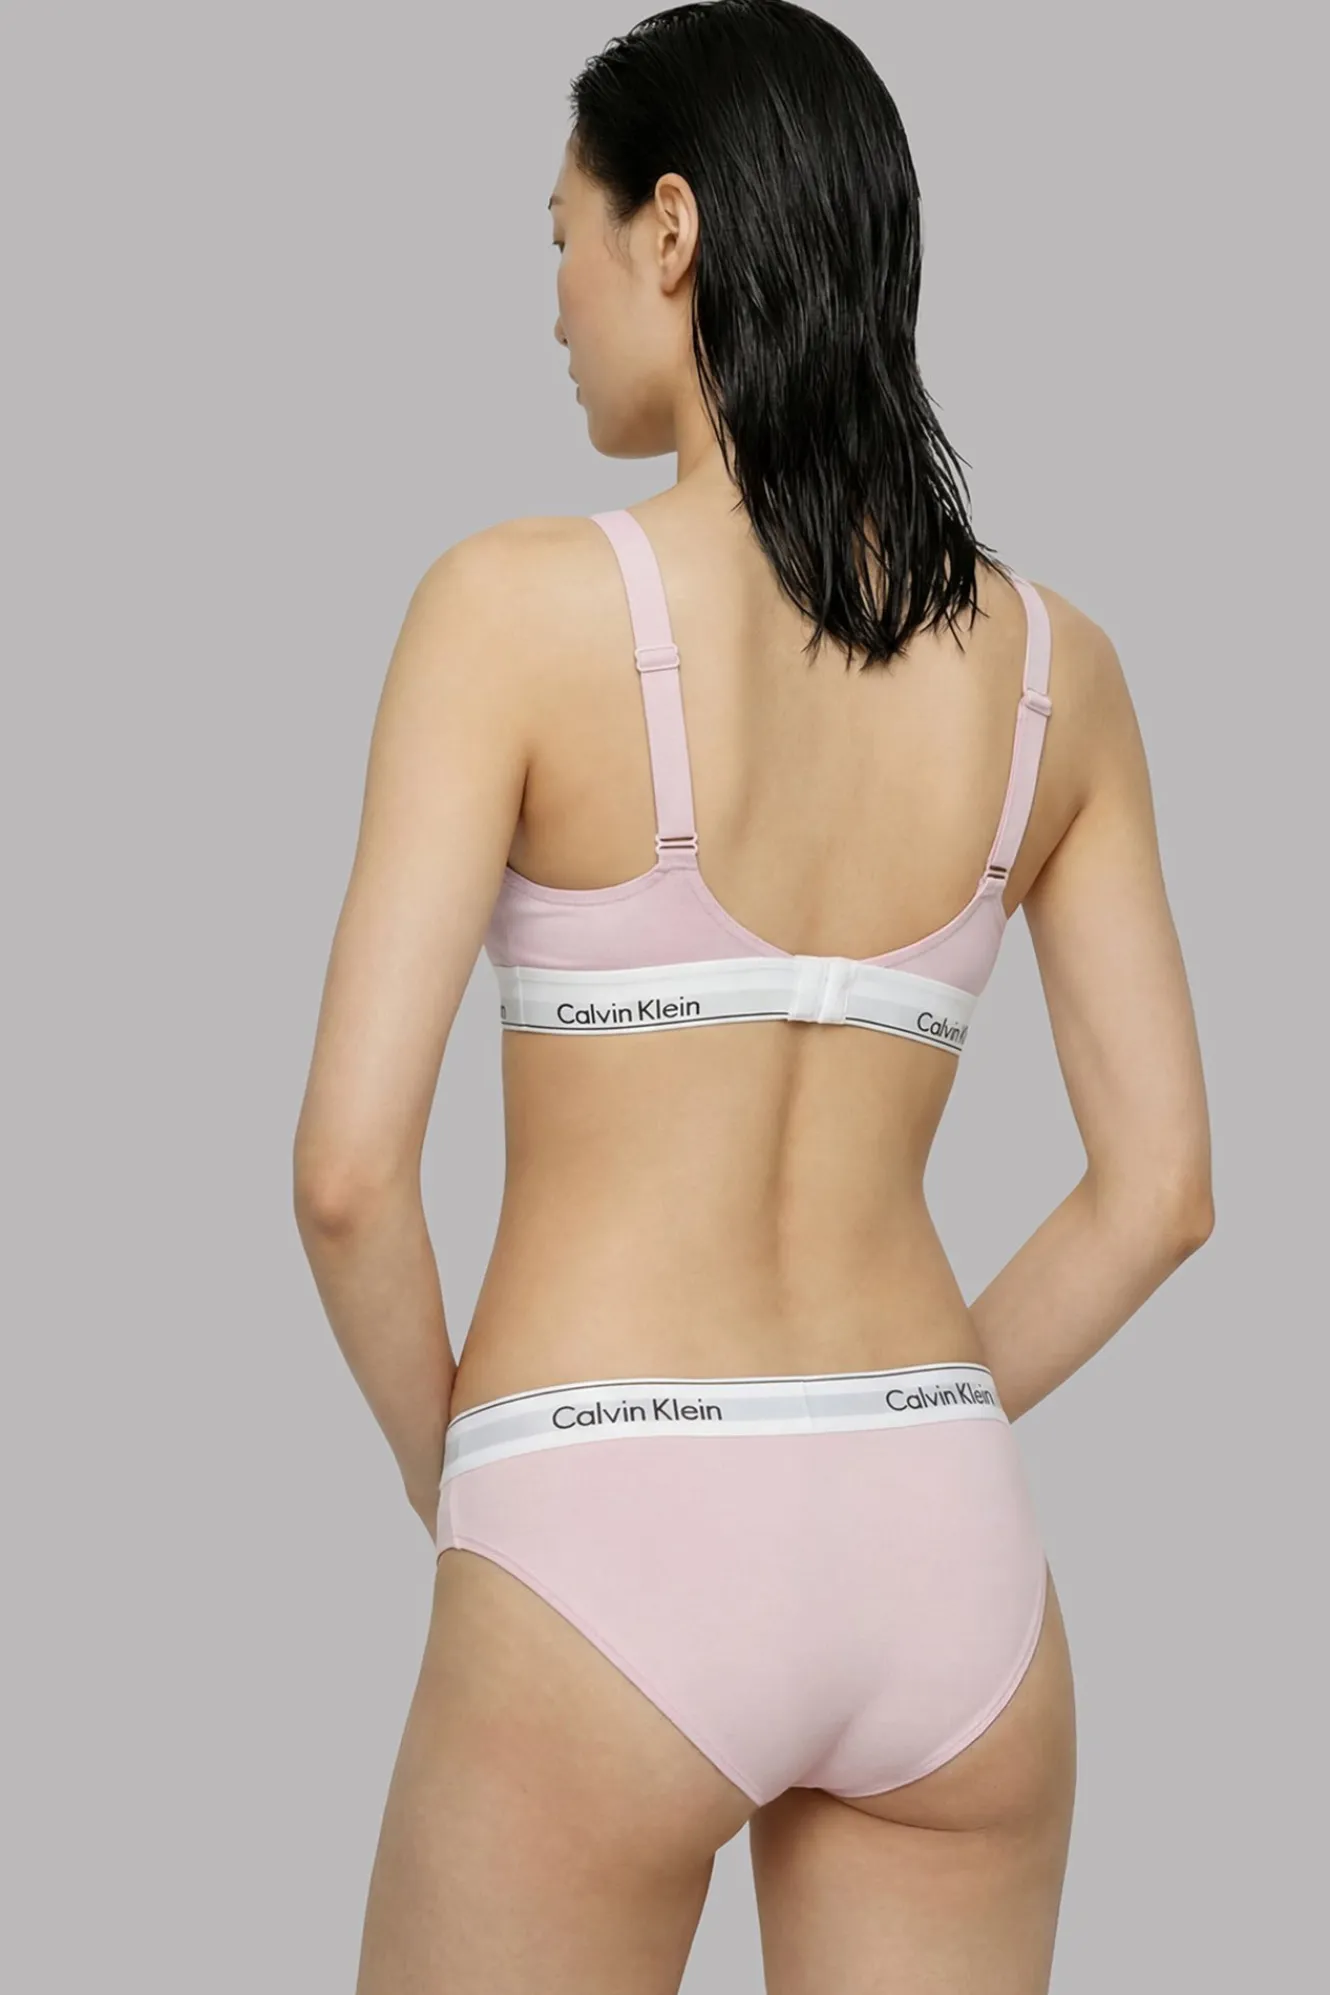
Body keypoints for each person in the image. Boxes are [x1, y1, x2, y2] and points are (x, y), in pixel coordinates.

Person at [293, 4, 1213, 1989]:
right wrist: (885, 1432)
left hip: (598, 1517)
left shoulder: (510, 609)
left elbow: (349, 1175)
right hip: (939, 1541)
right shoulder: (1056, 670)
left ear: (670, 229)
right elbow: (1158, 1195)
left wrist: (461, 1473)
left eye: (558, 235)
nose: (551, 300)